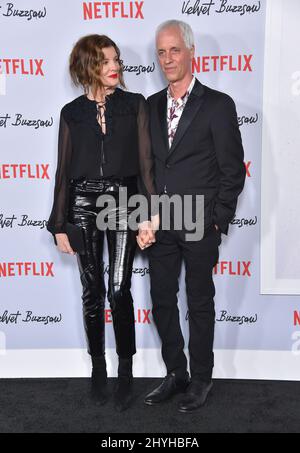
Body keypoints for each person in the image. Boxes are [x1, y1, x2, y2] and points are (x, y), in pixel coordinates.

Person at [47, 34, 157, 412]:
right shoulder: (71, 112)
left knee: (117, 288)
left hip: (124, 200)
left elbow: (145, 166)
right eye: (106, 61)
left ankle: (125, 368)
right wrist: (59, 223)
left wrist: (151, 215)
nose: (115, 67)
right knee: (91, 289)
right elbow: (63, 170)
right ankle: (98, 367)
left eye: (117, 59)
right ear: (87, 67)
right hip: (81, 202)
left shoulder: (134, 105)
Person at [143, 20, 246, 413]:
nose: (167, 58)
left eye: (174, 50)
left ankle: (202, 377)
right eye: (162, 52)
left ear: (190, 52)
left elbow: (232, 170)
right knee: (162, 300)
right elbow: (148, 167)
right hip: (159, 223)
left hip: (200, 223)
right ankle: (176, 373)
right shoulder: (149, 105)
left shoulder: (218, 104)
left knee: (200, 302)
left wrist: (218, 219)